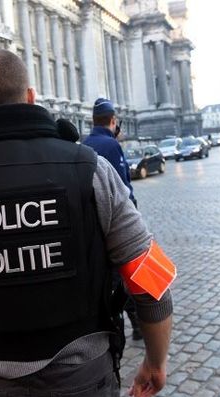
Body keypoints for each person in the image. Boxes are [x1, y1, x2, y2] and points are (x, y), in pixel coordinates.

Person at [0, 49, 174, 397]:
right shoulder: (89, 168)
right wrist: (156, 362)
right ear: (31, 97)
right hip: (83, 382)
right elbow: (149, 281)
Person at [83, 99, 143, 341]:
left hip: (93, 223)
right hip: (115, 222)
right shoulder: (111, 144)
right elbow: (123, 188)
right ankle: (135, 325)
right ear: (113, 121)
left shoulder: (84, 144)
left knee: (106, 278)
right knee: (124, 278)